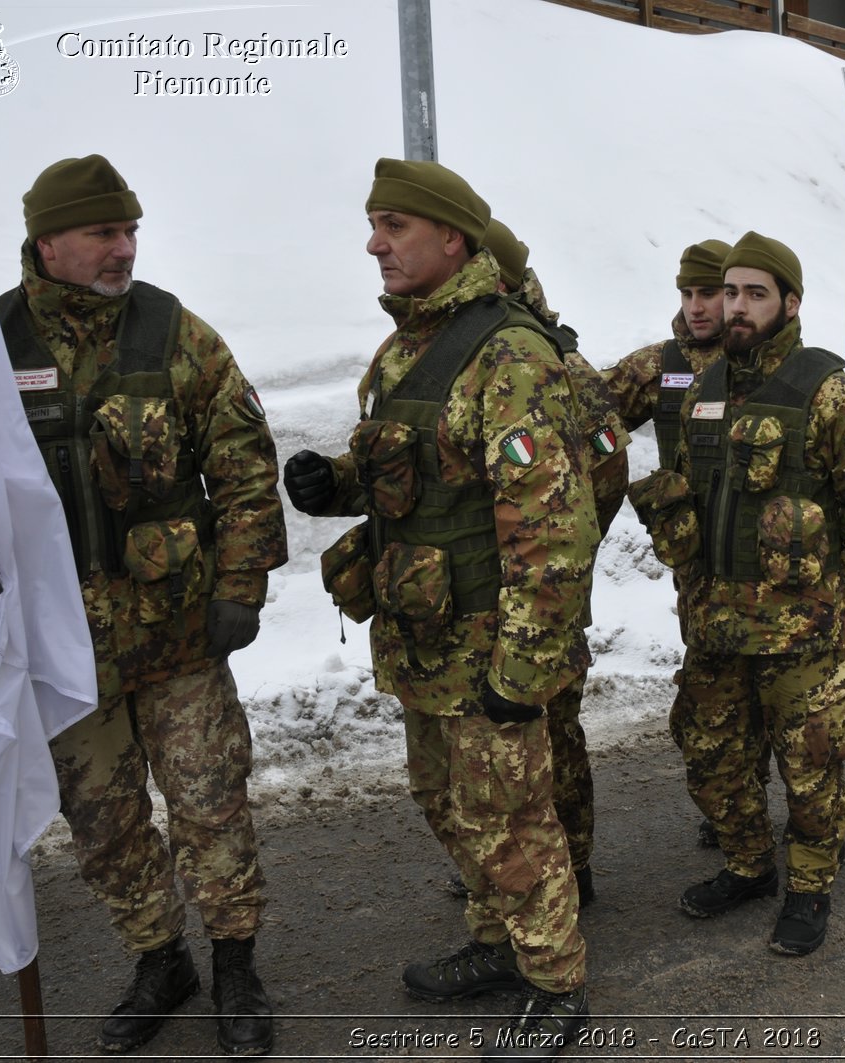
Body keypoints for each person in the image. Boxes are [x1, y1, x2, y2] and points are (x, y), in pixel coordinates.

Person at [0, 154, 288, 1055]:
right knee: (105, 819)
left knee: (210, 803)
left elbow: (246, 468)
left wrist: (240, 586)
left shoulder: (174, 334)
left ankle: (235, 962)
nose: (124, 247)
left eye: (130, 230)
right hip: (56, 648)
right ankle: (159, 956)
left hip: (176, 635)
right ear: (47, 241)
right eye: (103, 232)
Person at [282, 159, 593, 1057]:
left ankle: (556, 979)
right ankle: (496, 945)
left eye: (393, 226)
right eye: (374, 225)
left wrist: (526, 667)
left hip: (488, 642)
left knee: (511, 814)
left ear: (451, 238)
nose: (373, 243)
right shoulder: (402, 351)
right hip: (421, 634)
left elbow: (550, 525)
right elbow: (417, 477)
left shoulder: (510, 355)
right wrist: (335, 482)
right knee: (443, 799)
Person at [628, 231, 845, 955]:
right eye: (730, 292)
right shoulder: (702, 388)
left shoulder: (831, 390)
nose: (735, 307)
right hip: (715, 624)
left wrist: (820, 577)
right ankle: (747, 863)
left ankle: (809, 885)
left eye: (755, 293)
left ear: (789, 303)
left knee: (810, 766)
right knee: (712, 753)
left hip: (799, 631)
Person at [474, 217, 632, 907]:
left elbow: (608, 467)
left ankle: (578, 863)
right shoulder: (466, 358)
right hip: (475, 590)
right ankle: (510, 867)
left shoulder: (559, 364)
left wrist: (558, 546)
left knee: (554, 733)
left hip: (545, 587)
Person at [602, 239, 735, 849]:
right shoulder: (661, 363)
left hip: (764, 551)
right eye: (688, 293)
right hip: (695, 559)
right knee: (713, 682)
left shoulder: (764, 360)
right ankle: (733, 805)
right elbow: (589, 416)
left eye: (708, 292)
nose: (698, 305)